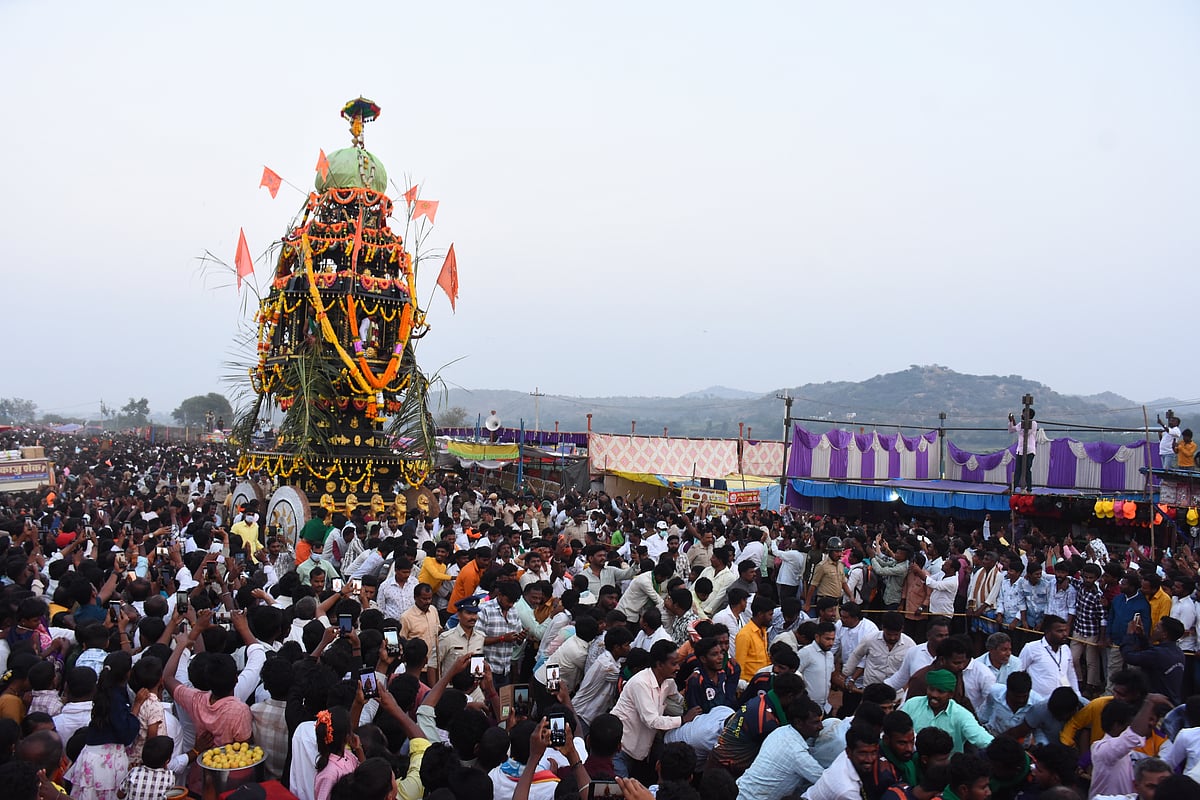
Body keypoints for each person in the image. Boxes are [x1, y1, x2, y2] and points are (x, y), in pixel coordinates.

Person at [611, 640, 700, 782]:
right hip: (621, 749)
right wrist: (683, 719)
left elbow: (679, 701)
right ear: (659, 664)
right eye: (673, 664)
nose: (678, 668)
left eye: (678, 663)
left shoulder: (668, 681)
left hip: (640, 751)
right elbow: (651, 721)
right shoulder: (640, 683)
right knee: (622, 791)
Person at [64, 651, 143, 800]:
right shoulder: (115, 698)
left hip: (91, 755)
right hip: (106, 762)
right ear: (128, 673)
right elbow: (126, 734)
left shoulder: (104, 691)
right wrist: (137, 705)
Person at [735, 697, 826, 800]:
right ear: (798, 723)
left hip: (739, 791)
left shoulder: (780, 732)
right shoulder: (797, 753)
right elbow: (825, 782)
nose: (821, 726)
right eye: (815, 722)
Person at [1090, 695, 1173, 800]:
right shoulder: (1103, 750)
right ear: (1117, 726)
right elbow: (1132, 736)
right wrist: (1149, 703)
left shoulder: (1130, 753)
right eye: (1130, 725)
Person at [900, 669, 994, 753]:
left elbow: (981, 738)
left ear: (951, 694)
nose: (934, 695)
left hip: (947, 768)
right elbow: (896, 729)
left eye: (940, 691)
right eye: (931, 689)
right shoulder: (912, 705)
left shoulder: (961, 715)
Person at [801, 723, 897, 800]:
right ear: (848, 752)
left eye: (873, 752)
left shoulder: (848, 755)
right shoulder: (846, 790)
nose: (869, 759)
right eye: (863, 753)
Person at [1121, 616, 1186, 706]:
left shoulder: (1158, 654)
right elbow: (1151, 653)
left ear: (1164, 634)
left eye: (1157, 627)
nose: (1154, 629)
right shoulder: (1178, 652)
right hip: (1172, 703)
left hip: (1156, 706)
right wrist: (1141, 636)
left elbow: (1128, 657)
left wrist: (1129, 635)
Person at [1019, 616, 1079, 699]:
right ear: (1047, 632)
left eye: (1065, 630)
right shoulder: (1031, 648)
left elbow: (1071, 675)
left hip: (1064, 701)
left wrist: (1077, 694)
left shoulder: (1066, 649)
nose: (1065, 634)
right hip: (1040, 701)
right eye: (1060, 631)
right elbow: (1018, 672)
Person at [798, 621, 837, 712]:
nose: (831, 643)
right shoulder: (806, 653)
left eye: (833, 639)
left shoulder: (830, 655)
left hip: (825, 705)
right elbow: (794, 674)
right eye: (827, 639)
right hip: (808, 706)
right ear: (817, 637)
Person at [1009, 408, 1038, 492]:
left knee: (1027, 469)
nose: (1022, 415)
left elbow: (1025, 432)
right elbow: (1011, 430)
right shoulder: (1021, 424)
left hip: (1029, 450)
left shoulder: (1033, 423)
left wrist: (1018, 427)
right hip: (1020, 450)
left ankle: (1029, 488)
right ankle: (1013, 488)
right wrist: (1011, 421)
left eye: (1024, 413)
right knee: (1018, 469)